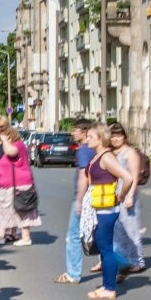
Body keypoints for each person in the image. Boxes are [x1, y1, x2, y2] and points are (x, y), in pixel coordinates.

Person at [82, 125, 135, 300]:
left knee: (105, 248)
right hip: (98, 206)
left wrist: (120, 195)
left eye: (90, 136)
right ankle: (106, 284)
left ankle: (110, 288)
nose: (87, 139)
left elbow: (127, 177)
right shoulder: (98, 156)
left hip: (107, 208)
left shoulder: (106, 157)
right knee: (102, 247)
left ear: (100, 138)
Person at [55, 119, 96, 285]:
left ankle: (73, 273)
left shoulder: (84, 151)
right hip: (94, 197)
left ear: (84, 131)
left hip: (84, 198)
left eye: (75, 130)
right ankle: (119, 265)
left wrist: (79, 200)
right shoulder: (91, 149)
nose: (73, 133)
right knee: (99, 235)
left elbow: (83, 176)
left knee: (73, 236)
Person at [0, 125, 41, 246]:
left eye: (2, 136)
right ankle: (6, 235)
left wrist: (4, 140)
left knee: (21, 210)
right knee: (8, 210)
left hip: (18, 185)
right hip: (11, 185)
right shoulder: (14, 145)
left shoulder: (17, 145)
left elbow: (10, 152)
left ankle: (24, 238)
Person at [108, 123, 147, 275]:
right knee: (118, 230)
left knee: (131, 229)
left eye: (119, 135)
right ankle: (124, 259)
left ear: (124, 136)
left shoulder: (130, 153)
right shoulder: (111, 153)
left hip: (127, 194)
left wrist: (130, 195)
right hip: (115, 194)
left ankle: (138, 261)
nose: (116, 138)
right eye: (113, 135)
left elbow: (134, 176)